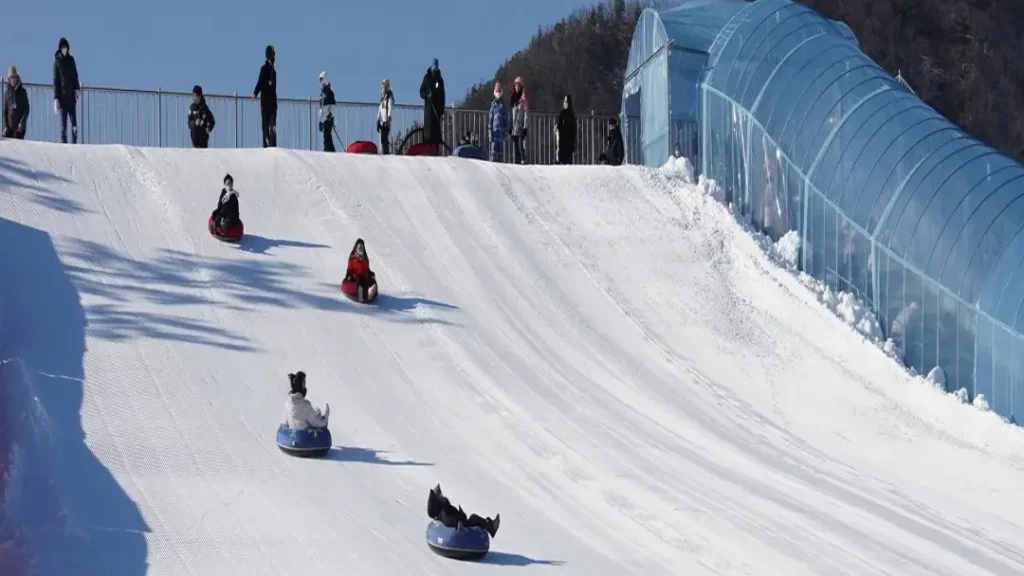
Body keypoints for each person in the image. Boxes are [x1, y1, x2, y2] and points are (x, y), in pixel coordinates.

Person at [427, 484, 499, 538]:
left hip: (462, 523)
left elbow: (453, 515)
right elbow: (450, 521)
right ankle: (491, 527)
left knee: (473, 518)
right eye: (440, 495)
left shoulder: (445, 509)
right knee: (474, 518)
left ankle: (490, 526)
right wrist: (459, 522)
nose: (442, 496)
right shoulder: (444, 513)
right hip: (462, 527)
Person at [52, 37, 81, 144]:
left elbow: (75, 75)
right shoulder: (57, 63)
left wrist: (77, 88)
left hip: (71, 97)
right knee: (63, 125)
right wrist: (56, 98)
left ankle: (75, 142)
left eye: (66, 47)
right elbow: (56, 81)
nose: (64, 49)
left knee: (74, 124)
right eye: (62, 47)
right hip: (62, 98)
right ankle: (64, 144)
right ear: (60, 49)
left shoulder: (71, 60)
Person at [252, 45, 277, 147]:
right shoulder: (264, 69)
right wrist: (255, 92)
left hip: (272, 102)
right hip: (265, 101)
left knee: (272, 124)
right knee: (265, 124)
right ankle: (266, 144)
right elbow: (260, 82)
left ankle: (272, 143)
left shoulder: (274, 71)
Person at [418, 59, 445, 146]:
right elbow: (421, 91)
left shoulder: (440, 80)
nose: (435, 70)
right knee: (428, 134)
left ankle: (436, 151)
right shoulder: (427, 78)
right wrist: (427, 96)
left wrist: (441, 111)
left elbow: (442, 96)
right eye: (434, 68)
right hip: (429, 110)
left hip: (437, 110)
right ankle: (428, 149)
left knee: (436, 135)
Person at [3, 66, 29, 139]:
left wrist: (22, 122)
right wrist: (5, 126)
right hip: (9, 127)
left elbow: (26, 109)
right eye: (11, 78)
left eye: (14, 77)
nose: (13, 80)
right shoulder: (7, 93)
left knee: (16, 140)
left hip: (19, 128)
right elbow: (5, 112)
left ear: (17, 78)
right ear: (9, 79)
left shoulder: (22, 92)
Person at [509, 77, 528, 164]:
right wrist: (510, 126)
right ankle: (517, 162)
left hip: (520, 126)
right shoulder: (513, 99)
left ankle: (523, 160)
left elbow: (526, 114)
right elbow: (511, 114)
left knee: (520, 146)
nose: (517, 87)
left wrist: (525, 127)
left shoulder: (523, 99)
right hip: (514, 127)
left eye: (518, 86)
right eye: (516, 86)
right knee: (515, 146)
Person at [487, 81, 508, 162]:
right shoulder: (493, 105)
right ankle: (493, 163)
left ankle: (500, 164)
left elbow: (506, 118)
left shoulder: (503, 105)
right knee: (494, 149)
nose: (498, 93)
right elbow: (490, 118)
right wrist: (490, 131)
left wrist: (506, 130)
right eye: (497, 91)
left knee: (500, 150)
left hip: (501, 131)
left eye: (499, 91)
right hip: (494, 131)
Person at [554, 94, 576, 165]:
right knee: (562, 159)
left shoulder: (570, 114)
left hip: (567, 141)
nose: (564, 103)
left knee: (566, 160)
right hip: (562, 140)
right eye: (564, 101)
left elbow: (573, 129)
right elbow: (559, 124)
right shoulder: (563, 113)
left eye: (566, 102)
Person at [318, 72, 336, 152]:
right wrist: (320, 121)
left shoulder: (330, 93)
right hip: (324, 118)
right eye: (320, 80)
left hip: (328, 118)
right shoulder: (322, 94)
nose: (321, 82)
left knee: (327, 135)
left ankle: (330, 150)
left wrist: (330, 115)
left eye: (322, 80)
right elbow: (321, 109)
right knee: (325, 136)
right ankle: (327, 149)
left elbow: (333, 106)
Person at [377, 78, 394, 154]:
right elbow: (380, 110)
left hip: (386, 120)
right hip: (381, 121)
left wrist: (389, 118)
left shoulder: (389, 97)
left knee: (385, 138)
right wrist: (378, 120)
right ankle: (384, 152)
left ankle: (386, 153)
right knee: (382, 139)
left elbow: (390, 107)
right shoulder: (382, 98)